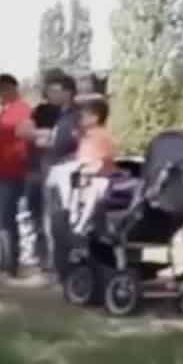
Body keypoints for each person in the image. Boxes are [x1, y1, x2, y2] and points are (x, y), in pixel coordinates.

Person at [29, 69, 82, 272]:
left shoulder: (73, 117)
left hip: (63, 174)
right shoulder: (61, 116)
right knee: (51, 221)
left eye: (55, 90)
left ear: (68, 92)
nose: (50, 94)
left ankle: (63, 268)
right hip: (53, 173)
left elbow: (62, 143)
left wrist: (47, 141)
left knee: (60, 222)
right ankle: (56, 265)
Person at [0, 74, 37, 279]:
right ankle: (5, 263)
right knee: (1, 221)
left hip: (10, 174)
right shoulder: (5, 112)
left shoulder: (22, 111)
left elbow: (25, 142)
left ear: (10, 89)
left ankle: (9, 266)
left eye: (0, 90)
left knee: (5, 221)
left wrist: (16, 162)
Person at [68, 98, 119, 238]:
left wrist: (84, 170)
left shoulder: (101, 136)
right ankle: (75, 217)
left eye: (84, 116)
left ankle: (81, 223)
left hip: (103, 179)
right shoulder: (86, 137)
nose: (81, 119)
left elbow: (100, 164)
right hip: (85, 180)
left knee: (96, 187)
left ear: (95, 118)